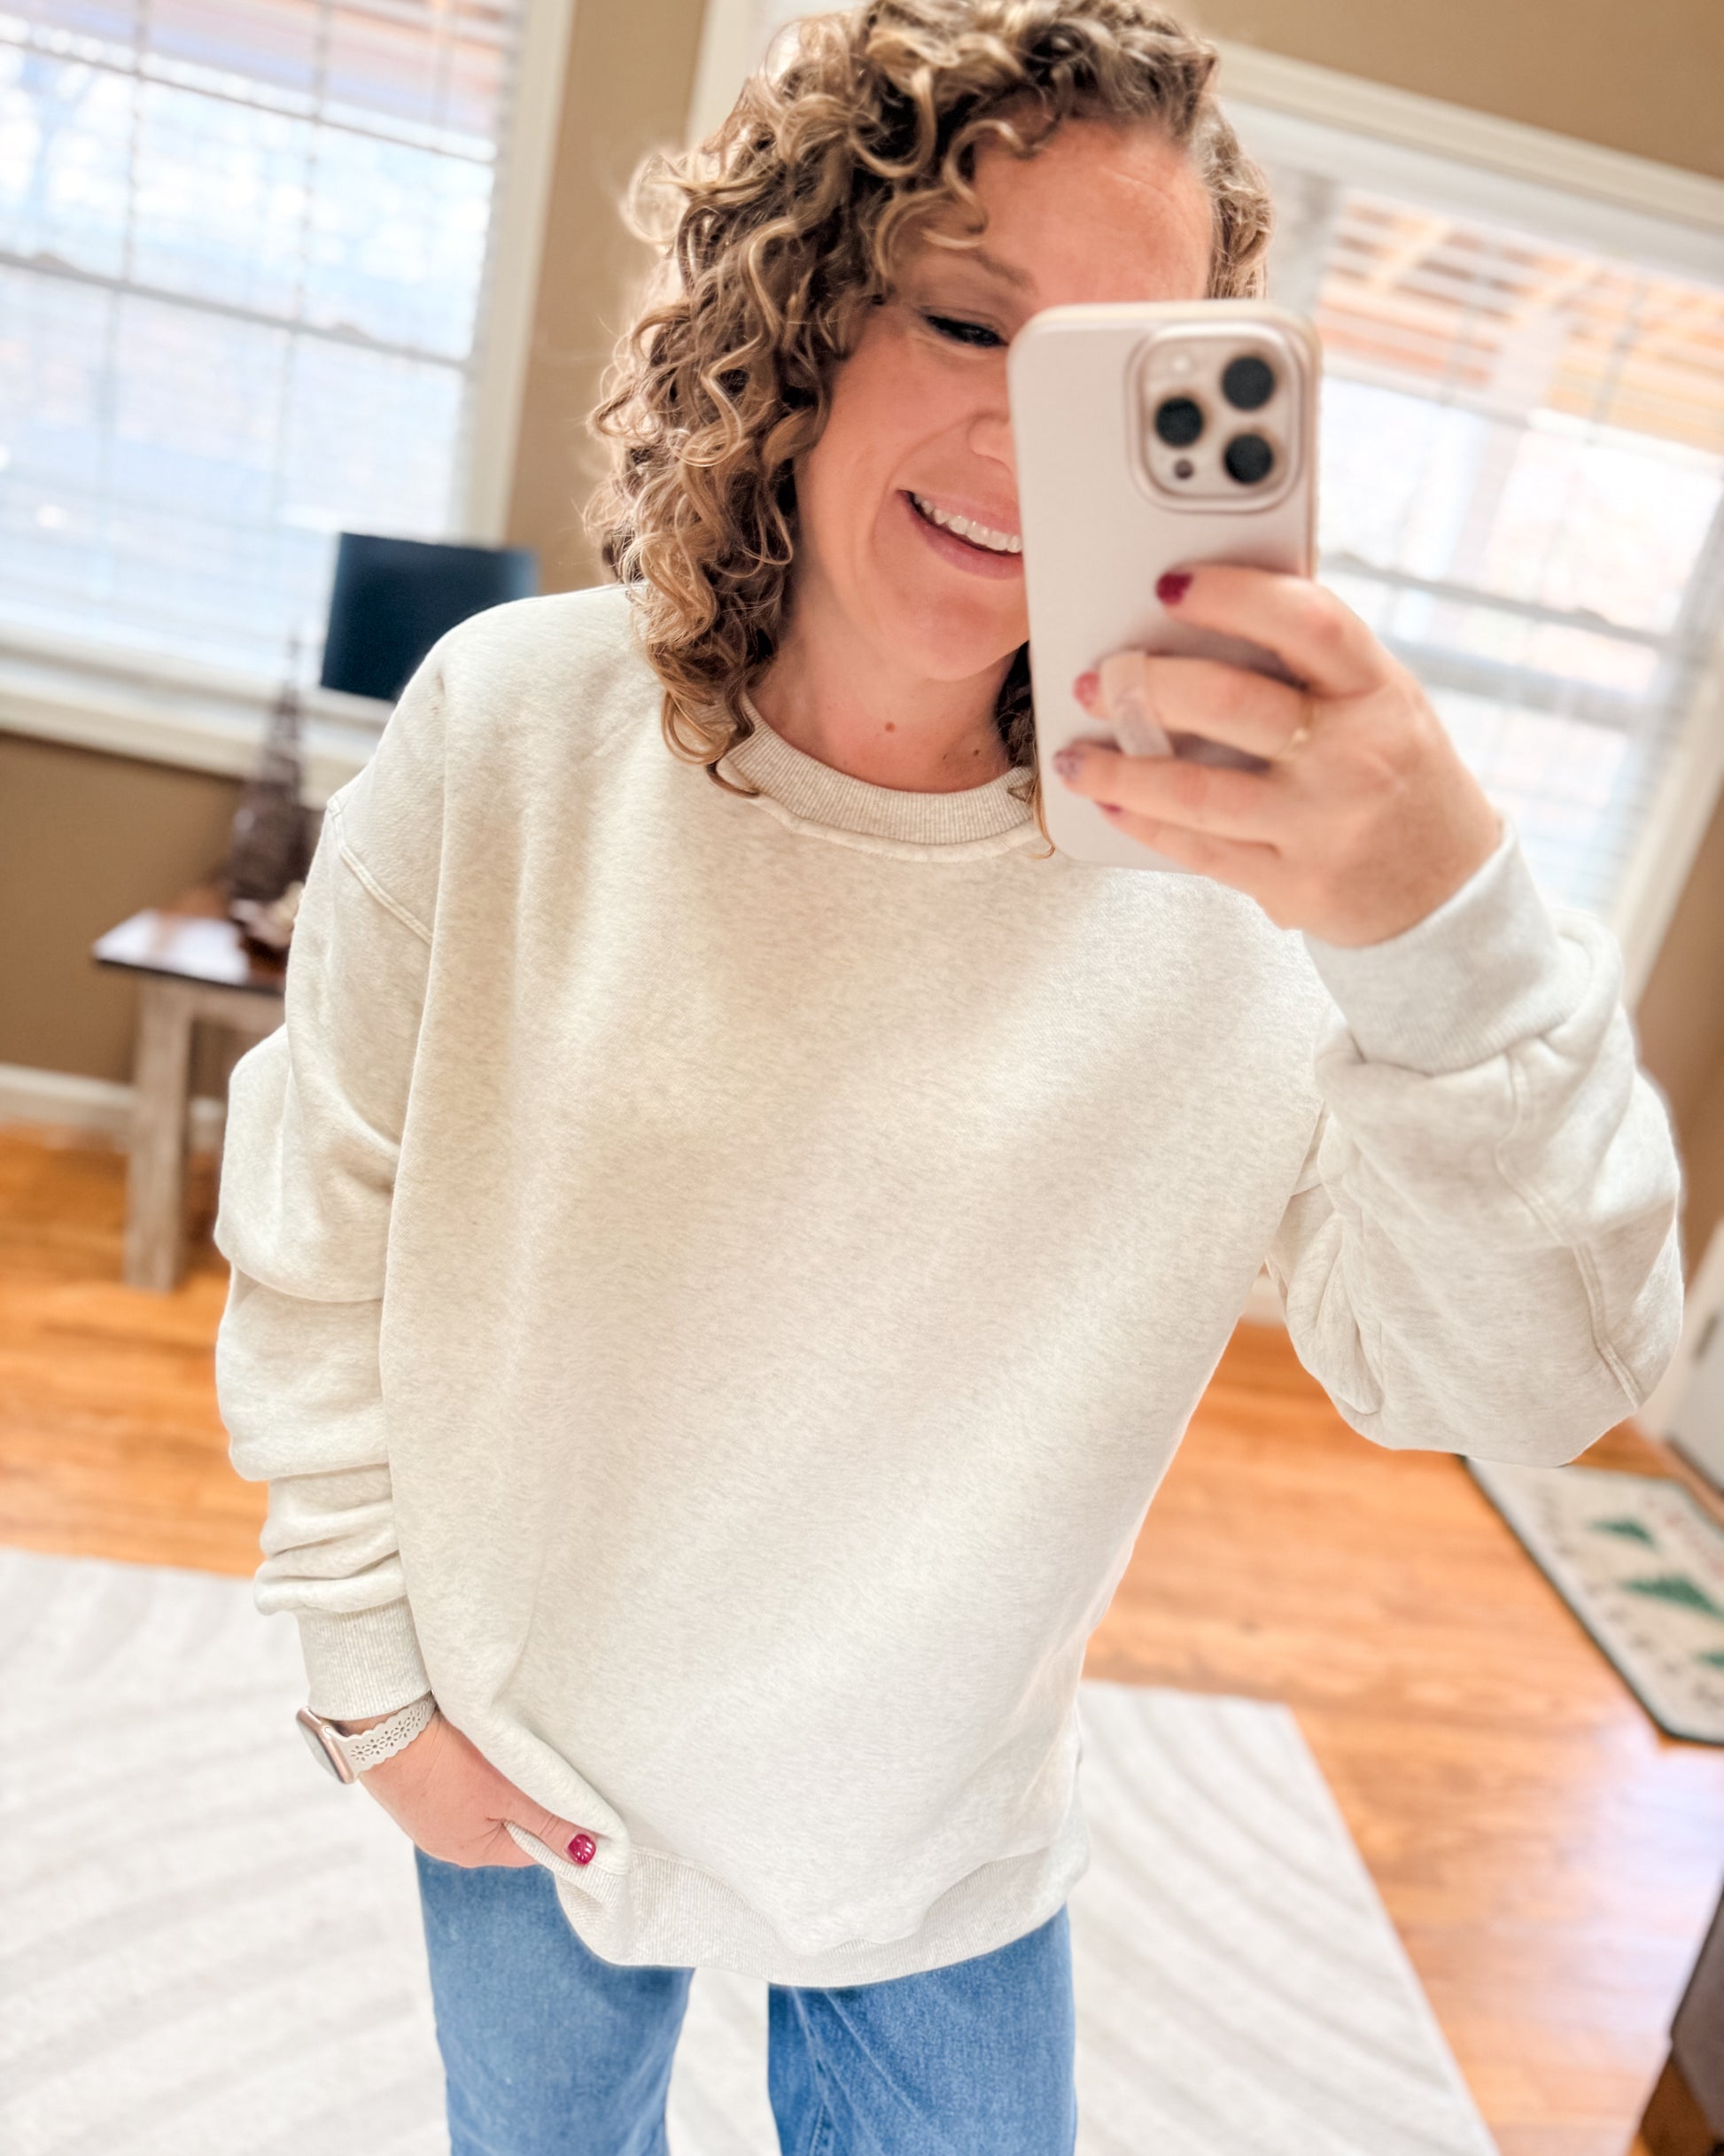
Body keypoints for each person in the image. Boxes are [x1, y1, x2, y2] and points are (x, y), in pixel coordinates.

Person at [212, 3, 1684, 2151]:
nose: (1023, 443)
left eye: (1128, 378)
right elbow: (321, 1210)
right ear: (801, 324)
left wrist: (1444, 925)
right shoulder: (513, 729)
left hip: (941, 1821)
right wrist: (366, 1681)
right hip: (529, 1746)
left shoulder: (1251, 877)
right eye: (970, 320)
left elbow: (1531, 1378)